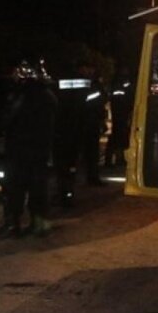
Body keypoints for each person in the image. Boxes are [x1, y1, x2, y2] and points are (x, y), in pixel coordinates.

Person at [0, 59, 57, 238]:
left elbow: (7, 117)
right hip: (41, 148)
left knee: (14, 186)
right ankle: (39, 224)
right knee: (38, 186)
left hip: (19, 148)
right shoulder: (48, 94)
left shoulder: (21, 94)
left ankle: (12, 225)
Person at [53, 60, 97, 205]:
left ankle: (63, 192)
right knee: (71, 162)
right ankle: (68, 192)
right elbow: (91, 101)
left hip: (60, 129)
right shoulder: (84, 82)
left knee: (61, 164)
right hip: (76, 127)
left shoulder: (56, 82)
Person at [104, 66, 134, 167]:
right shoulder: (120, 83)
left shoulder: (121, 82)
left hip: (121, 113)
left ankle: (116, 159)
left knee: (119, 136)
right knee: (118, 136)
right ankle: (115, 159)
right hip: (120, 113)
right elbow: (122, 98)